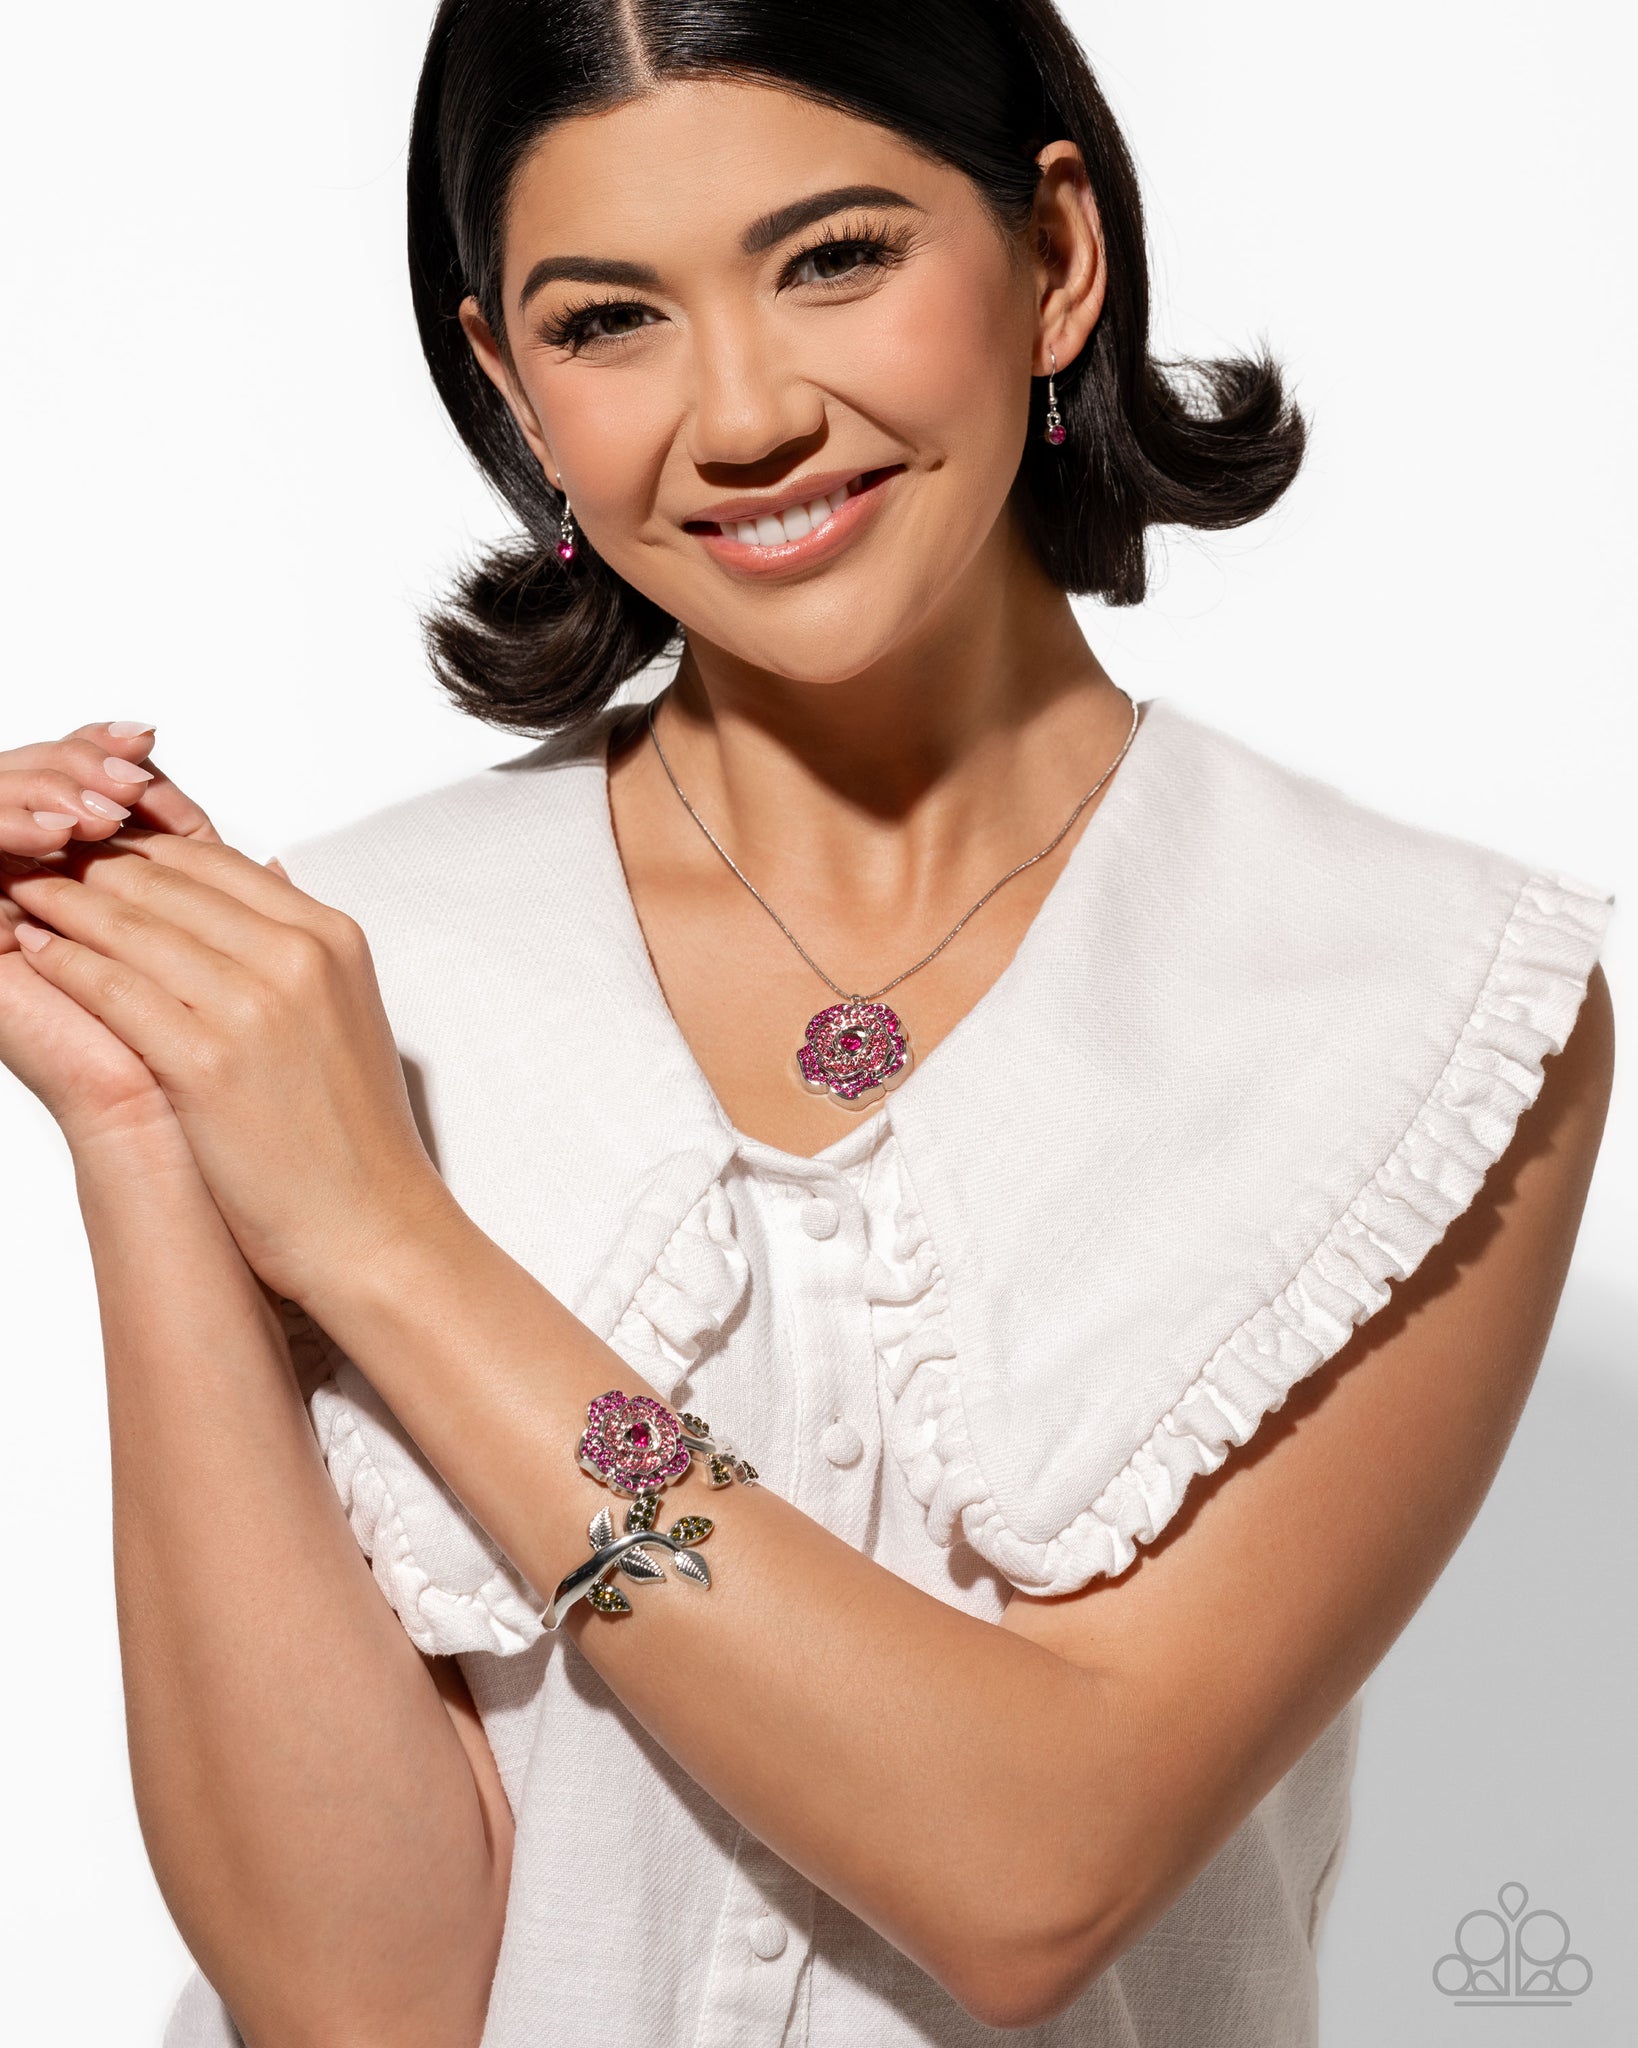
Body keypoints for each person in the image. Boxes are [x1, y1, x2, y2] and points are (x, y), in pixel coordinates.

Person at [0, 2, 1616, 2043]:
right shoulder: (331, 971)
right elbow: (358, 2000)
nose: (745, 413)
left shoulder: (1413, 1003)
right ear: (510, 381)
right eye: (608, 321)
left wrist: (384, 1242)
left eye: (835, 258)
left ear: (1055, 253)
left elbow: (1031, 1870)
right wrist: (145, 1126)